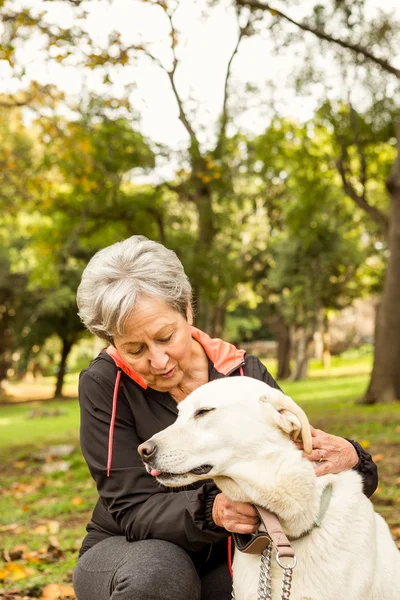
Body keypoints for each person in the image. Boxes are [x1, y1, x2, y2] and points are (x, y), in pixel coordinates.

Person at [73, 235, 378, 600]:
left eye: (166, 337)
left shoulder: (242, 374)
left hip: (234, 552)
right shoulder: (104, 383)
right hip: (129, 546)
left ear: (187, 310)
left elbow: (298, 459)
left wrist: (356, 459)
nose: (158, 361)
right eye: (134, 349)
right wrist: (211, 510)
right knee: (160, 575)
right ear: (110, 341)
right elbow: (130, 507)